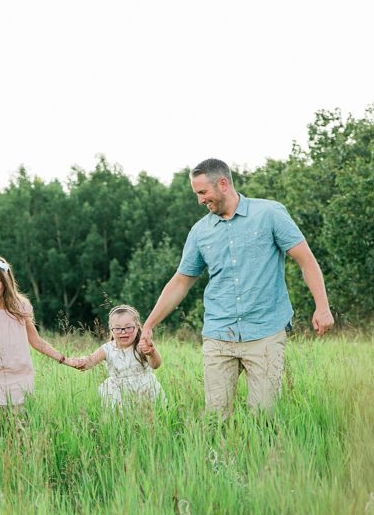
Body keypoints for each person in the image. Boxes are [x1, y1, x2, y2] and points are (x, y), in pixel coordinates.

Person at [140, 158, 334, 418]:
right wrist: (150, 324)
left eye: (202, 192)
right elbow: (181, 281)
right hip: (219, 333)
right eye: (196, 193)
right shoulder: (200, 232)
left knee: (263, 416)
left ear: (223, 184)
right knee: (215, 417)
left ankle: (264, 459)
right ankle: (220, 459)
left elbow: (306, 260)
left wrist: (322, 307)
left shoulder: (270, 213)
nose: (199, 200)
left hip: (265, 331)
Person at [0, 255, 76, 428]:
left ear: (6, 281)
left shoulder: (21, 307)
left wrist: (64, 359)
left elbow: (36, 341)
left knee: (16, 431)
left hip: (17, 376)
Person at [67, 304, 166, 408]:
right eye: (118, 328)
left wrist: (152, 353)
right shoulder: (107, 349)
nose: (123, 332)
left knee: (149, 417)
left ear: (137, 326)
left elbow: (156, 365)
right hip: (118, 392)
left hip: (145, 388)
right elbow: (89, 361)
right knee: (122, 419)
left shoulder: (141, 345)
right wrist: (73, 361)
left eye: (128, 327)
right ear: (111, 329)